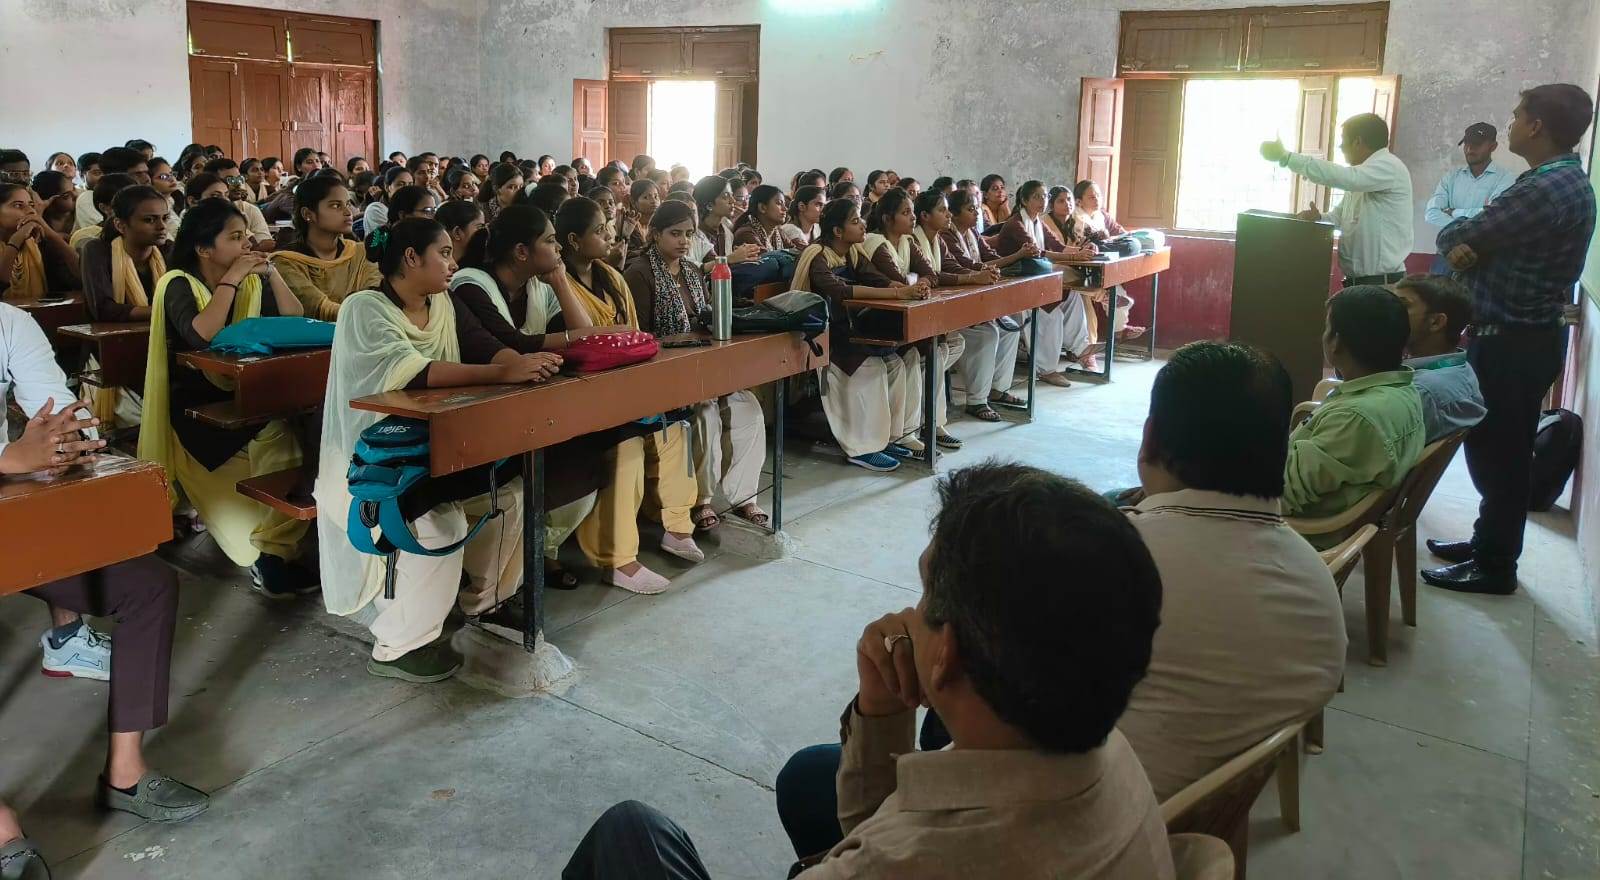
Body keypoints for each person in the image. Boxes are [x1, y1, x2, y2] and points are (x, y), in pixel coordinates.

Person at [568, 462, 1174, 879]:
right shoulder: (1111, 754)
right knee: (811, 776)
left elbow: (878, 850)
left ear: (947, 653)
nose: (909, 615)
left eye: (925, 599)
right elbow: (875, 828)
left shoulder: (902, 862)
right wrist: (881, 712)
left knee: (630, 833)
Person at [0, 305, 209, 865]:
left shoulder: (9, 324)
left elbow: (67, 415)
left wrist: (68, 442)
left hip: (10, 511)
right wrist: (11, 455)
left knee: (148, 585)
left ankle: (125, 773)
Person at [315, 218, 557, 681]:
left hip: (431, 445)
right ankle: (398, 644)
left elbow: (486, 346)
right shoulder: (363, 308)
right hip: (370, 459)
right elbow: (414, 369)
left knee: (509, 494)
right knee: (441, 525)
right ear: (411, 258)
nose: (453, 263)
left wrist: (521, 365)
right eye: (444, 253)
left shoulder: (442, 302)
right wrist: (502, 374)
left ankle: (483, 602)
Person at [1116, 341, 1346, 800]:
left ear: (1149, 437)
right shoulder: (1314, 579)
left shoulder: (1111, 557)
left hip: (1105, 813)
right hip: (1210, 803)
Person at [1425, 83, 1597, 594]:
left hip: (1512, 342)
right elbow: (1474, 235)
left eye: (1517, 115)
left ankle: (1495, 564)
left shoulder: (1544, 189)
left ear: (1537, 125)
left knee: (1499, 454)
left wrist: (1463, 240)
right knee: (1500, 449)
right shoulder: (1554, 180)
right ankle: (1488, 544)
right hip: (1520, 337)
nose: (1511, 124)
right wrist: (1469, 241)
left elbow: (1460, 235)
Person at [137, 199, 315, 598]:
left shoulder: (251, 282)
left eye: (246, 235)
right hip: (198, 417)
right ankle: (269, 557)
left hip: (247, 401)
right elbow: (200, 334)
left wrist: (271, 273)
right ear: (204, 248)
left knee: (291, 443)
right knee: (244, 528)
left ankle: (274, 554)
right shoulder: (177, 283)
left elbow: (293, 317)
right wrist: (232, 279)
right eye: (235, 238)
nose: (247, 243)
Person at [557, 197, 703, 594]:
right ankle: (618, 559)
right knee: (627, 448)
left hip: (624, 386)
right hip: (582, 395)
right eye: (600, 230)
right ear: (573, 240)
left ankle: (677, 526)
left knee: (677, 428)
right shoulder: (556, 284)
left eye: (608, 228)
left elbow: (635, 337)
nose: (610, 236)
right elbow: (579, 342)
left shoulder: (610, 276)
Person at [623, 200, 769, 531]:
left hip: (702, 366)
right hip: (663, 373)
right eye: (675, 233)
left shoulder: (691, 270)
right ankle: (702, 500)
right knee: (705, 414)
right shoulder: (639, 273)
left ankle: (744, 495)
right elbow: (641, 337)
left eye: (688, 234)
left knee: (749, 409)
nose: (684, 241)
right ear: (655, 234)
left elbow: (704, 319)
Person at [797, 199, 919, 473]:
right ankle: (862, 448)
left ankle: (888, 437)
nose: (863, 224)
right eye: (855, 221)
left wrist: (902, 287)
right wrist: (897, 293)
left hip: (851, 328)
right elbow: (839, 291)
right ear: (837, 231)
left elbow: (875, 278)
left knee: (896, 364)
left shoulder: (852, 252)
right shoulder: (817, 256)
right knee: (871, 366)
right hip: (825, 334)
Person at [1283, 285, 1424, 524]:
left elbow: (1279, 493)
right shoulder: (1403, 390)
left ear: (1336, 342)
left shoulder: (1355, 418)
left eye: (1327, 328)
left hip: (1301, 530)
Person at [862, 188, 970, 452]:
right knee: (924, 355)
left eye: (912, 212)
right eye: (905, 213)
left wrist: (917, 282)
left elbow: (931, 274)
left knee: (938, 350)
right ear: (887, 218)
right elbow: (898, 281)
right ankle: (912, 429)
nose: (912, 218)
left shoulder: (907, 242)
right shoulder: (876, 244)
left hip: (901, 314)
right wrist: (914, 282)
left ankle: (925, 424)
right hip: (876, 320)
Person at [1261, 113, 1413, 288]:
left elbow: (1346, 178)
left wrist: (1287, 158)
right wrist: (1319, 218)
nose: (1340, 147)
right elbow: (1339, 218)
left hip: (1382, 284)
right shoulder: (1365, 175)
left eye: (1343, 140)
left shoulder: (1389, 166)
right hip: (1359, 284)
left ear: (1357, 141)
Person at [941, 188, 1037, 421]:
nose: (977, 213)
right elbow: (968, 266)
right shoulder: (947, 235)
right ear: (954, 213)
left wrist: (1018, 256)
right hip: (954, 304)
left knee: (1010, 327)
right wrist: (1017, 256)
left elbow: (990, 258)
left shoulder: (973, 232)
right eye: (970, 209)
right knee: (988, 334)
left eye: (976, 208)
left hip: (975, 298)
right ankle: (977, 400)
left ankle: (998, 389)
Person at [79, 185, 170, 427]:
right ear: (120, 225)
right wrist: (160, 312)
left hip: (158, 344)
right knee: (145, 418)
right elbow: (103, 309)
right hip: (111, 351)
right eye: (149, 220)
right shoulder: (97, 251)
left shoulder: (169, 250)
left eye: (164, 218)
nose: (161, 226)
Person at [987, 180, 1092, 387]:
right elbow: (1039, 253)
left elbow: (1057, 247)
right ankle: (1046, 369)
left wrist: (1083, 251)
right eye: (1037, 197)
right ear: (1024, 200)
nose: (1042, 201)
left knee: (1072, 296)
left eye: (1044, 196)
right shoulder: (1016, 224)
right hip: (1015, 283)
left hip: (1035, 280)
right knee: (1052, 313)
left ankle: (1081, 349)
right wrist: (1074, 258)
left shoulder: (1037, 222)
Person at [1383, 274, 1486, 442]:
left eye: (1403, 306)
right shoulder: (1460, 367)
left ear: (1436, 322)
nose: (1389, 313)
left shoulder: (1420, 392)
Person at [270, 175, 382, 320]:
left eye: (348, 204)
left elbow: (376, 294)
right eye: (336, 206)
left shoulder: (360, 253)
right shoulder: (285, 261)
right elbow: (317, 307)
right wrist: (364, 314)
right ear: (308, 214)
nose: (348, 212)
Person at [1423, 123, 1515, 272]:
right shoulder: (1450, 178)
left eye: (1477, 144)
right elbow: (1431, 213)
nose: (1470, 149)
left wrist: (1454, 212)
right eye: (1466, 143)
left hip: (1483, 258)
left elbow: (1493, 217)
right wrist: (1469, 227)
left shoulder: (1506, 179)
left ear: (1493, 146)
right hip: (1446, 256)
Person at [0, 182, 79, 298]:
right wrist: (16, 240)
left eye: (31, 205)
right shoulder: (21, 240)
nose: (31, 211)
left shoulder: (35, 241)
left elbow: (81, 274)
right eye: (18, 205)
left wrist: (50, 233)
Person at [364, 184, 437, 264]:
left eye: (434, 210)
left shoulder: (429, 239)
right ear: (403, 215)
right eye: (427, 211)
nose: (434, 217)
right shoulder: (382, 242)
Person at [731, 183, 788, 251]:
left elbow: (796, 251)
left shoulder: (777, 231)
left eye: (784, 204)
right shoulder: (746, 234)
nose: (785, 209)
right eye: (779, 203)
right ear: (762, 207)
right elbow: (766, 256)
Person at [364, 166, 414, 234]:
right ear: (387, 187)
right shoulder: (376, 209)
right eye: (401, 184)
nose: (407, 189)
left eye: (410, 185)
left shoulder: (414, 208)